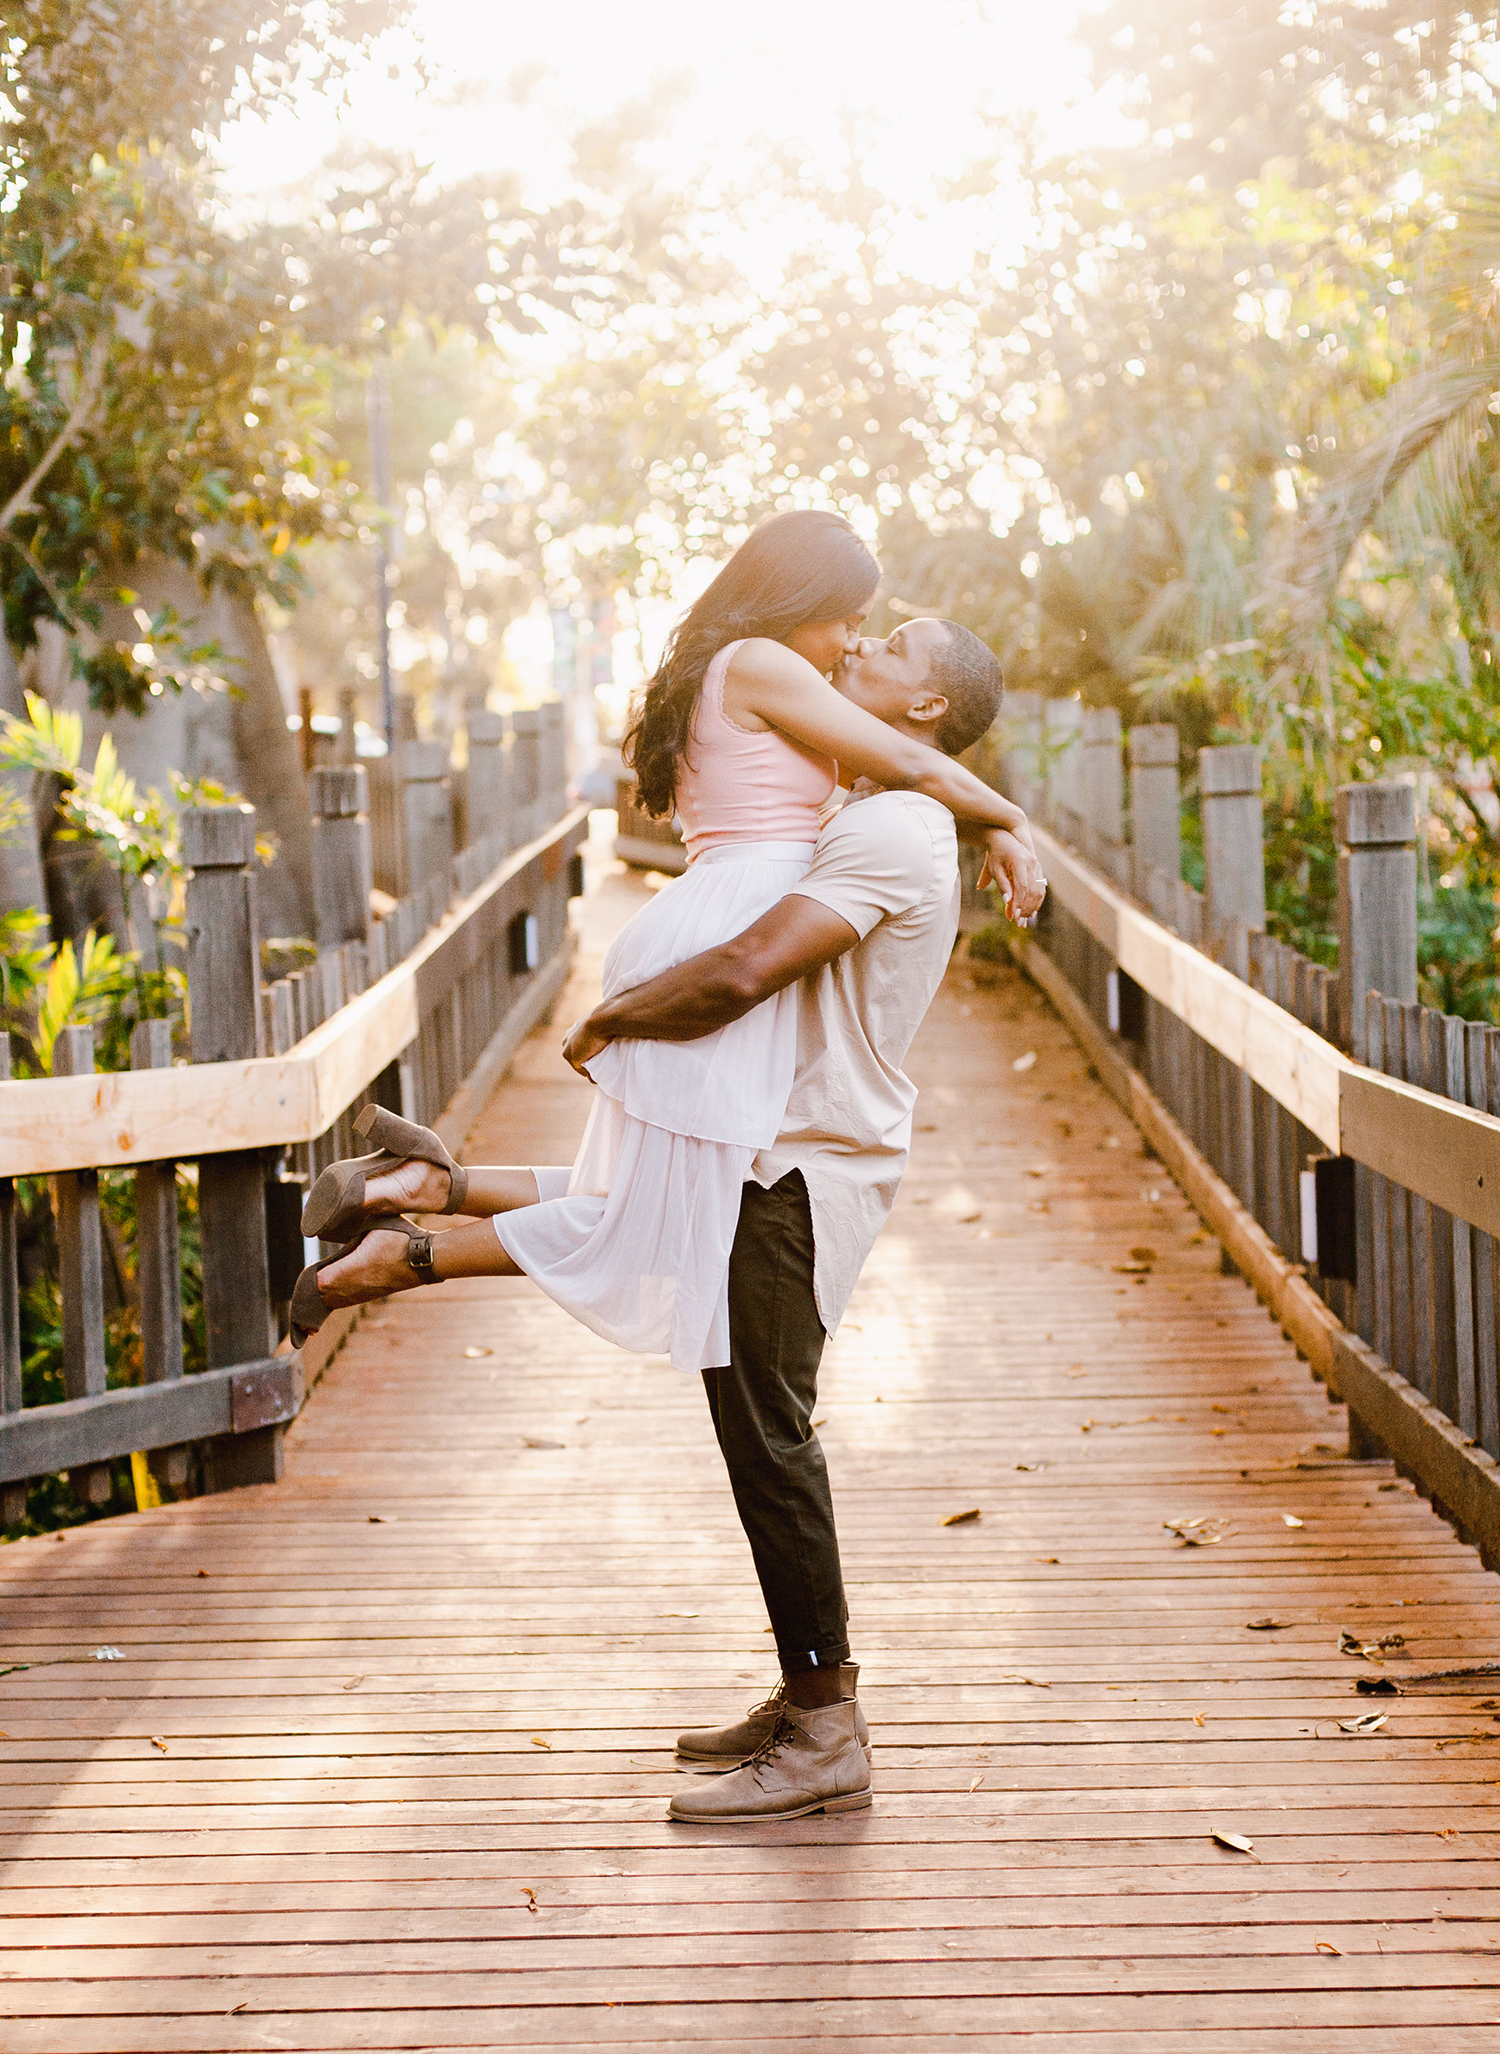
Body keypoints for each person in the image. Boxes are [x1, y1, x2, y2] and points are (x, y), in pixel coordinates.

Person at [294, 611, 1039, 1823]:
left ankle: (829, 1728)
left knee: (770, 1435)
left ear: (926, 710)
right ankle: (808, 1692)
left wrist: (615, 1017)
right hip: (770, 1148)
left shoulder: (896, 830)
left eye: (893, 645)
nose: (862, 649)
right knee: (746, 1411)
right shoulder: (883, 808)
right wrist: (1003, 816)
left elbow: (748, 971)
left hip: (802, 1171)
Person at [291, 510, 1042, 1369]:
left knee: (655, 1201)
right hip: (727, 934)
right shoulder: (762, 664)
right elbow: (911, 765)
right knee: (657, 1220)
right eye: (848, 619)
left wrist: (989, 830)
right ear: (799, 600)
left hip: (722, 914)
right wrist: (1012, 819)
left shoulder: (755, 671)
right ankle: (403, 1253)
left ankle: (424, 1188)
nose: (852, 642)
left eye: (872, 630)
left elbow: (896, 772)